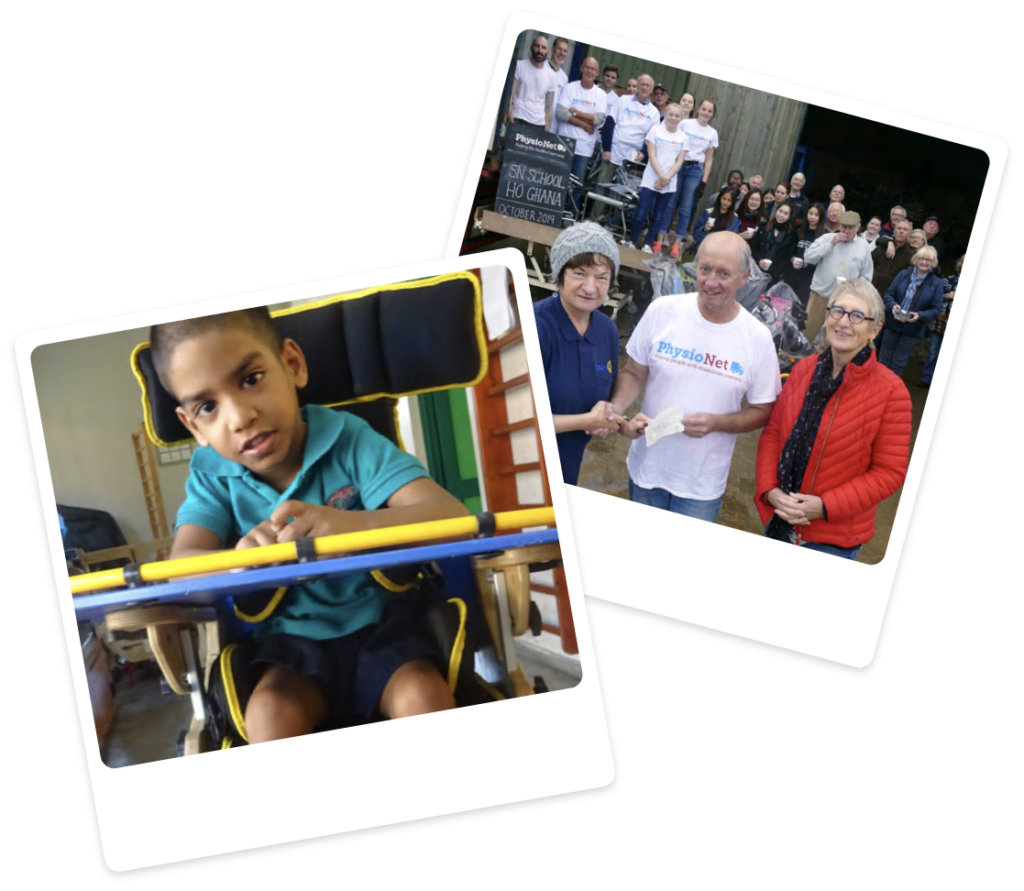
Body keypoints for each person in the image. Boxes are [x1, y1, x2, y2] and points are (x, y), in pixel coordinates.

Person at [152, 309, 469, 743]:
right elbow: (180, 568)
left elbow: (454, 520)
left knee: (422, 696)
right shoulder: (210, 474)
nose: (240, 416)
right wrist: (239, 562)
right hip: (289, 649)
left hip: (387, 629)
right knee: (267, 713)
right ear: (193, 426)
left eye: (251, 379)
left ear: (293, 365)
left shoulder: (350, 439)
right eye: (208, 407)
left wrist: (351, 527)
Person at [605, 231, 780, 522]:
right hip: (648, 469)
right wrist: (619, 413)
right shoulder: (663, 311)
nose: (711, 282)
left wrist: (718, 423)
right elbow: (634, 371)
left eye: (724, 273)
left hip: (700, 486)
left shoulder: (757, 338)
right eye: (705, 269)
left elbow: (763, 411)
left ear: (744, 276)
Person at [754, 278, 911, 559]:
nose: (843, 322)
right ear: (827, 318)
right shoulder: (802, 369)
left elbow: (889, 472)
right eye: (837, 311)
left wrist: (824, 506)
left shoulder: (892, 392)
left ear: (874, 330)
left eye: (857, 316)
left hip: (831, 540)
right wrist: (770, 491)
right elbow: (773, 434)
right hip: (780, 517)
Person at [535, 224, 622, 484]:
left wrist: (618, 419)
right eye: (579, 273)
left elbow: (602, 398)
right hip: (529, 468)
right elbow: (515, 420)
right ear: (560, 274)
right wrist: (587, 420)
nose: (590, 287)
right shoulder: (536, 326)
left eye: (601, 277)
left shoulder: (606, 330)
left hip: (568, 467)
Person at [802, 210, 875, 345]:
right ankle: (798, 361)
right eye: (843, 226)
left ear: (858, 227)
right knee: (807, 332)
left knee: (833, 338)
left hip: (844, 302)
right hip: (820, 295)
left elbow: (866, 276)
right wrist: (831, 244)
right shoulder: (827, 238)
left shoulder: (863, 246)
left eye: (850, 228)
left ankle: (828, 363)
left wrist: (856, 294)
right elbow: (808, 257)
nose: (846, 231)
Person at [592, 74, 659, 219]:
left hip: (632, 159)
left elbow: (652, 139)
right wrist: (607, 149)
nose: (644, 87)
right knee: (602, 186)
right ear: (638, 85)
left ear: (651, 89)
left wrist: (644, 153)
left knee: (624, 194)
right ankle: (593, 220)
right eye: (642, 84)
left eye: (647, 85)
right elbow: (609, 124)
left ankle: (612, 223)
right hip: (613, 151)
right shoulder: (623, 100)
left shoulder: (654, 113)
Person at [878, 245, 944, 377]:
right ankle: (875, 388)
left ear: (933, 262)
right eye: (922, 258)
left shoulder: (936, 283)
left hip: (912, 330)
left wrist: (920, 315)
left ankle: (889, 390)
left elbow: (937, 309)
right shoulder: (903, 274)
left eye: (929, 260)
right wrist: (893, 305)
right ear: (916, 259)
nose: (924, 262)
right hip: (892, 324)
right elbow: (888, 294)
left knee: (898, 363)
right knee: (883, 360)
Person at [630, 101, 687, 252]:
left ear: (681, 118)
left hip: (669, 182)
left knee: (658, 216)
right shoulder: (655, 131)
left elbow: (679, 161)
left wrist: (666, 178)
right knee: (642, 212)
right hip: (651, 179)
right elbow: (652, 155)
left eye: (677, 115)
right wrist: (661, 176)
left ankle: (648, 244)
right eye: (671, 114)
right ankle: (632, 240)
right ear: (665, 115)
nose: (673, 118)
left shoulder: (683, 137)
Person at [554, 57, 608, 213]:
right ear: (581, 68)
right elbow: (560, 112)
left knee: (576, 185)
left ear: (597, 73)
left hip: (584, 147)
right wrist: (584, 124)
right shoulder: (570, 88)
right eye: (587, 67)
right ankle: (553, 211)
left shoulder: (600, 95)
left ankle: (570, 214)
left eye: (593, 69)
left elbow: (598, 119)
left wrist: (576, 112)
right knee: (558, 180)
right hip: (565, 142)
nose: (589, 71)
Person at [665, 97, 720, 250]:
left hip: (695, 170)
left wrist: (704, 181)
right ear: (698, 109)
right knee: (670, 203)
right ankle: (661, 236)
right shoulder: (685, 124)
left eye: (710, 111)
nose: (706, 113)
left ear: (713, 114)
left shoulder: (712, 133)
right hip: (679, 166)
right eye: (703, 109)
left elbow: (708, 160)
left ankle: (677, 242)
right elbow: (674, 143)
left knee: (686, 207)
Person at [919, 254, 961, 387]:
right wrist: (947, 295)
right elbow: (934, 298)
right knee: (933, 350)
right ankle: (926, 378)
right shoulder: (948, 281)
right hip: (941, 321)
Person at [784, 203, 827, 328]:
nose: (812, 217)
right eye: (810, 213)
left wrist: (805, 264)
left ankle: (793, 336)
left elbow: (821, 260)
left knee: (800, 308)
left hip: (808, 279)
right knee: (786, 305)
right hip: (792, 275)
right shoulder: (798, 232)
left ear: (821, 217)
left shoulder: (823, 236)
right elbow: (790, 251)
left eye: (816, 215)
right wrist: (792, 259)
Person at [509, 35, 556, 127]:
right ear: (531, 47)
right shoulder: (519, 66)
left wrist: (546, 129)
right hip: (518, 117)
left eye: (543, 48)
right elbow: (509, 96)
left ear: (548, 52)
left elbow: (549, 107)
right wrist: (511, 119)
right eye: (537, 46)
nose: (539, 50)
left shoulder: (551, 75)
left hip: (539, 123)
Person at [751, 200, 798, 285]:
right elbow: (754, 247)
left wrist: (772, 268)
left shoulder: (792, 236)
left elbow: (786, 258)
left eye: (785, 213)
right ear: (776, 211)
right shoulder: (764, 227)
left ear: (789, 217)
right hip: (755, 270)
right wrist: (759, 260)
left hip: (774, 276)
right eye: (780, 211)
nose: (781, 215)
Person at [543, 37, 571, 130]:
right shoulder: (543, 68)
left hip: (553, 128)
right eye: (559, 49)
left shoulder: (564, 78)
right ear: (552, 49)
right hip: (537, 122)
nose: (562, 53)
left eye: (565, 51)